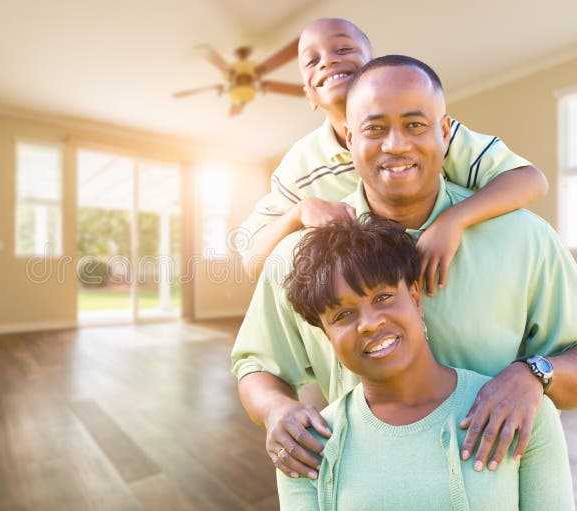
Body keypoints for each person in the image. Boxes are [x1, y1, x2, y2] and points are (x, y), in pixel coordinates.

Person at [231, 55, 577, 482]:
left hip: (498, 488)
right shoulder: (298, 257)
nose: (395, 144)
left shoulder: (527, 239)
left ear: (445, 131)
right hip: (365, 488)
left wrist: (534, 374)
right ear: (349, 137)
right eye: (375, 129)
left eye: (415, 125)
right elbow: (256, 365)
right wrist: (276, 410)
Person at [276, 216, 573, 510]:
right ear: (327, 336)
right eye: (342, 315)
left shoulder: (519, 411)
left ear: (416, 298)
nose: (369, 323)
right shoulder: (305, 447)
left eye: (383, 296)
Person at [238, 18, 548, 298]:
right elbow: (252, 260)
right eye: (313, 60)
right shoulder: (300, 166)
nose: (329, 61)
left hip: (450, 287)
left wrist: (453, 220)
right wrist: (299, 212)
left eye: (344, 49)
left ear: (374, 68)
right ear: (308, 94)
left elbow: (530, 179)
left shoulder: (432, 136)